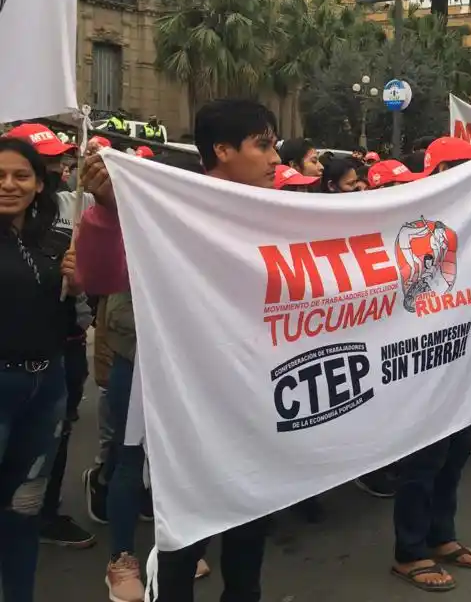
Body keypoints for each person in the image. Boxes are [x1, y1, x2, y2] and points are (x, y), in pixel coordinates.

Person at [78, 98, 281, 602]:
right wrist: (106, 212)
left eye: (275, 144)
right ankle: (125, 558)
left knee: (248, 528)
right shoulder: (170, 207)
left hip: (252, 396)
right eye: (264, 144)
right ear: (222, 150)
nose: (277, 158)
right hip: (173, 388)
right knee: (169, 513)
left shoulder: (285, 212)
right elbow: (101, 278)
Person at [390, 137, 471, 592]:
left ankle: (440, 535)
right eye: (453, 167)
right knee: (423, 461)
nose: (464, 174)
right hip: (417, 364)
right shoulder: (404, 219)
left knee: (455, 456)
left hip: (458, 361)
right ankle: (409, 552)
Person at [3, 124, 97, 550]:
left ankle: (41, 521)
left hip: (53, 370)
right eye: (0, 175)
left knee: (27, 498)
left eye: (21, 176)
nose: (9, 185)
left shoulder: (57, 229)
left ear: (40, 182)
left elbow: (71, 300)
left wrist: (76, 285)